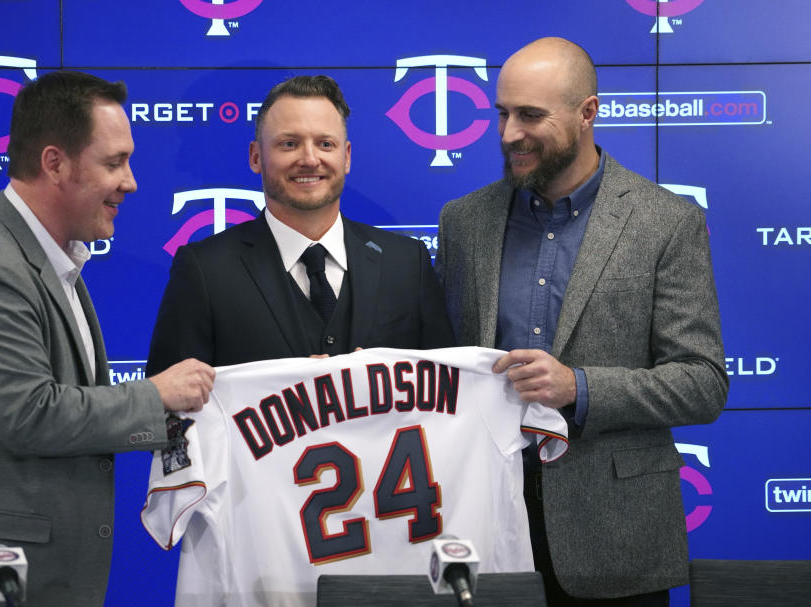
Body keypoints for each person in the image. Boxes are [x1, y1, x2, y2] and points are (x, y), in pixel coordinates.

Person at [0, 71, 215, 607]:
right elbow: (30, 415)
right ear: (54, 163)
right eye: (114, 162)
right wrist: (157, 396)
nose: (131, 182)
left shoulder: (50, 259)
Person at [436, 37, 728, 606]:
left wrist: (579, 386)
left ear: (588, 112)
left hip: (616, 540)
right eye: (502, 113)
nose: (508, 133)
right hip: (483, 527)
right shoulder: (464, 221)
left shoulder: (667, 223)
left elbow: (703, 382)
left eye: (530, 116)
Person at [146, 75, 454, 373]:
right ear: (256, 157)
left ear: (346, 157)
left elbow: (448, 392)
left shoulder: (407, 264)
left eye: (325, 144)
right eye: (289, 144)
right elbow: (172, 411)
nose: (309, 159)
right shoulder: (205, 271)